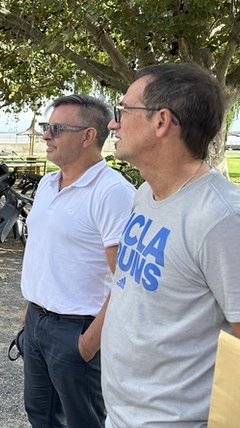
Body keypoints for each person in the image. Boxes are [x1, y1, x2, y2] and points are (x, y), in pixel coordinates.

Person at [102, 63, 240, 427]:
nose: (113, 123)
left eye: (123, 111)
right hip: (120, 416)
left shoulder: (221, 218)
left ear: (161, 122)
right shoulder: (144, 193)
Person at [20, 94, 135, 427]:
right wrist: (31, 310)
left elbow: (126, 281)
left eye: (56, 128)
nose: (45, 135)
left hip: (77, 330)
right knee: (40, 415)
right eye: (46, 126)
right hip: (38, 324)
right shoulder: (47, 183)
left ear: (88, 136)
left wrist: (88, 343)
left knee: (84, 421)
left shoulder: (112, 192)